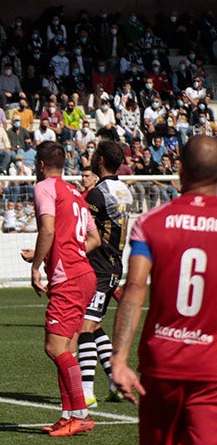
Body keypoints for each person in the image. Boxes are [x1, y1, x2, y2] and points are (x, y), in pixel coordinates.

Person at [110, 136, 217, 445]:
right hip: (211, 367)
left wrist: (119, 358)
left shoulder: (152, 223)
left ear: (181, 172)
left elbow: (135, 287)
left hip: (161, 365)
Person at [20, 141, 101, 437]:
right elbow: (93, 239)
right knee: (66, 348)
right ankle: (69, 415)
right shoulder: (76, 194)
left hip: (68, 276)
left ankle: (81, 413)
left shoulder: (45, 187)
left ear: (40, 165)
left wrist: (36, 265)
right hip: (84, 273)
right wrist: (63, 251)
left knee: (54, 347)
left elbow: (48, 229)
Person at [76, 141, 133, 407]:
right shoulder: (125, 190)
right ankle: (115, 383)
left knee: (84, 327)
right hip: (114, 265)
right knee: (96, 325)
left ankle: (86, 391)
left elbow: (82, 223)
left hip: (100, 267)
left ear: (99, 160)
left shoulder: (98, 194)